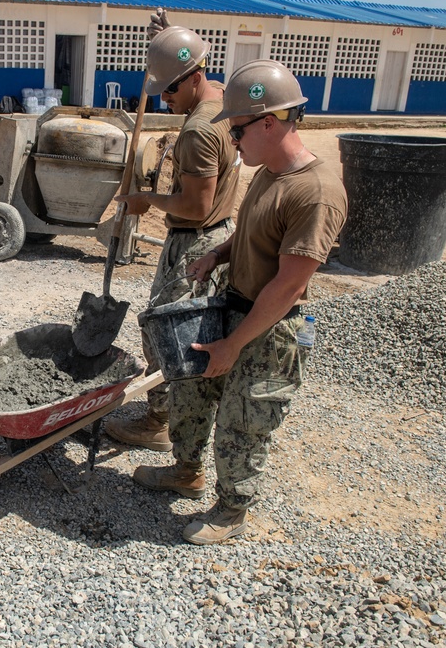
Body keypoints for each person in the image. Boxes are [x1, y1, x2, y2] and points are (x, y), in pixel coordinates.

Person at [169, 59, 347, 545]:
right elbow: (255, 233)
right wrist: (217, 255)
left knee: (242, 422)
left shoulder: (316, 193)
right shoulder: (269, 172)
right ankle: (185, 471)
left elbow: (289, 285)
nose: (232, 140)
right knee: (193, 391)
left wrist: (233, 345)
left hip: (270, 326)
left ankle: (231, 511)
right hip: (234, 304)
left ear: (270, 122)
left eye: (239, 130)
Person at [105, 24, 240, 461]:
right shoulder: (221, 99)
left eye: (170, 90)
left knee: (169, 339)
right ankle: (167, 418)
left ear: (195, 76)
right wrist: (167, 41)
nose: (165, 99)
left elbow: (197, 204)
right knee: (173, 333)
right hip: (212, 235)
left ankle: (166, 429)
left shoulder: (198, 131)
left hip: (196, 241)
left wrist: (147, 199)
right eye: (160, 90)